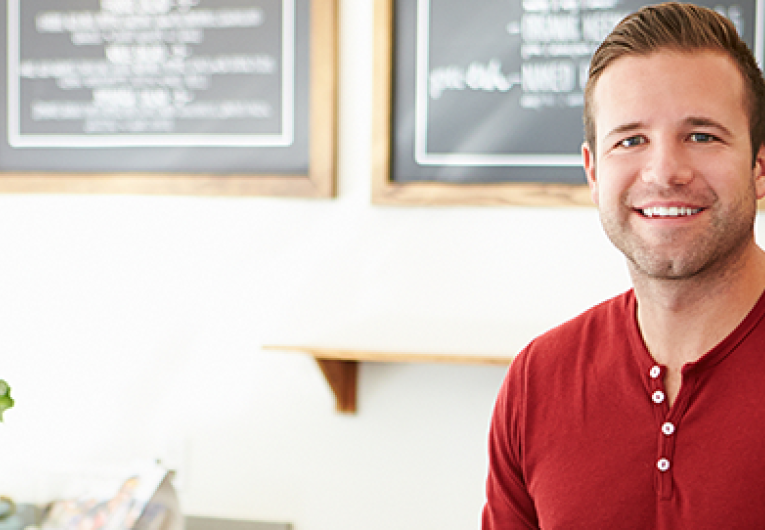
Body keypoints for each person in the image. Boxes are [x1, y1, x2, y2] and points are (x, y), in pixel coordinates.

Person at [482, 2, 765, 528]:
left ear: (760, 165)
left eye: (702, 135)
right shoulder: (537, 382)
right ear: (593, 172)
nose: (665, 171)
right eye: (630, 140)